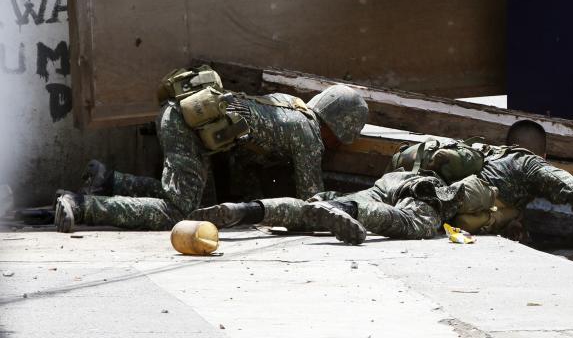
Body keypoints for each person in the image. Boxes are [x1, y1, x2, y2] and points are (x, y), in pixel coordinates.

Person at [193, 120, 573, 252]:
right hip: (430, 198)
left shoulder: (483, 151)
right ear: (538, 153)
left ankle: (249, 210)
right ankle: (350, 216)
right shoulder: (530, 166)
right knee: (404, 223)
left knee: (322, 204)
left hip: (397, 177)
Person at [53, 66, 369, 233]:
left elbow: (242, 157)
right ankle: (82, 205)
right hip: (187, 123)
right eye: (340, 139)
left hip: (180, 114)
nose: (336, 146)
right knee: (178, 213)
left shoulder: (290, 107)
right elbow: (311, 203)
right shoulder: (309, 133)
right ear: (337, 128)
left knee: (192, 202)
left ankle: (107, 180)